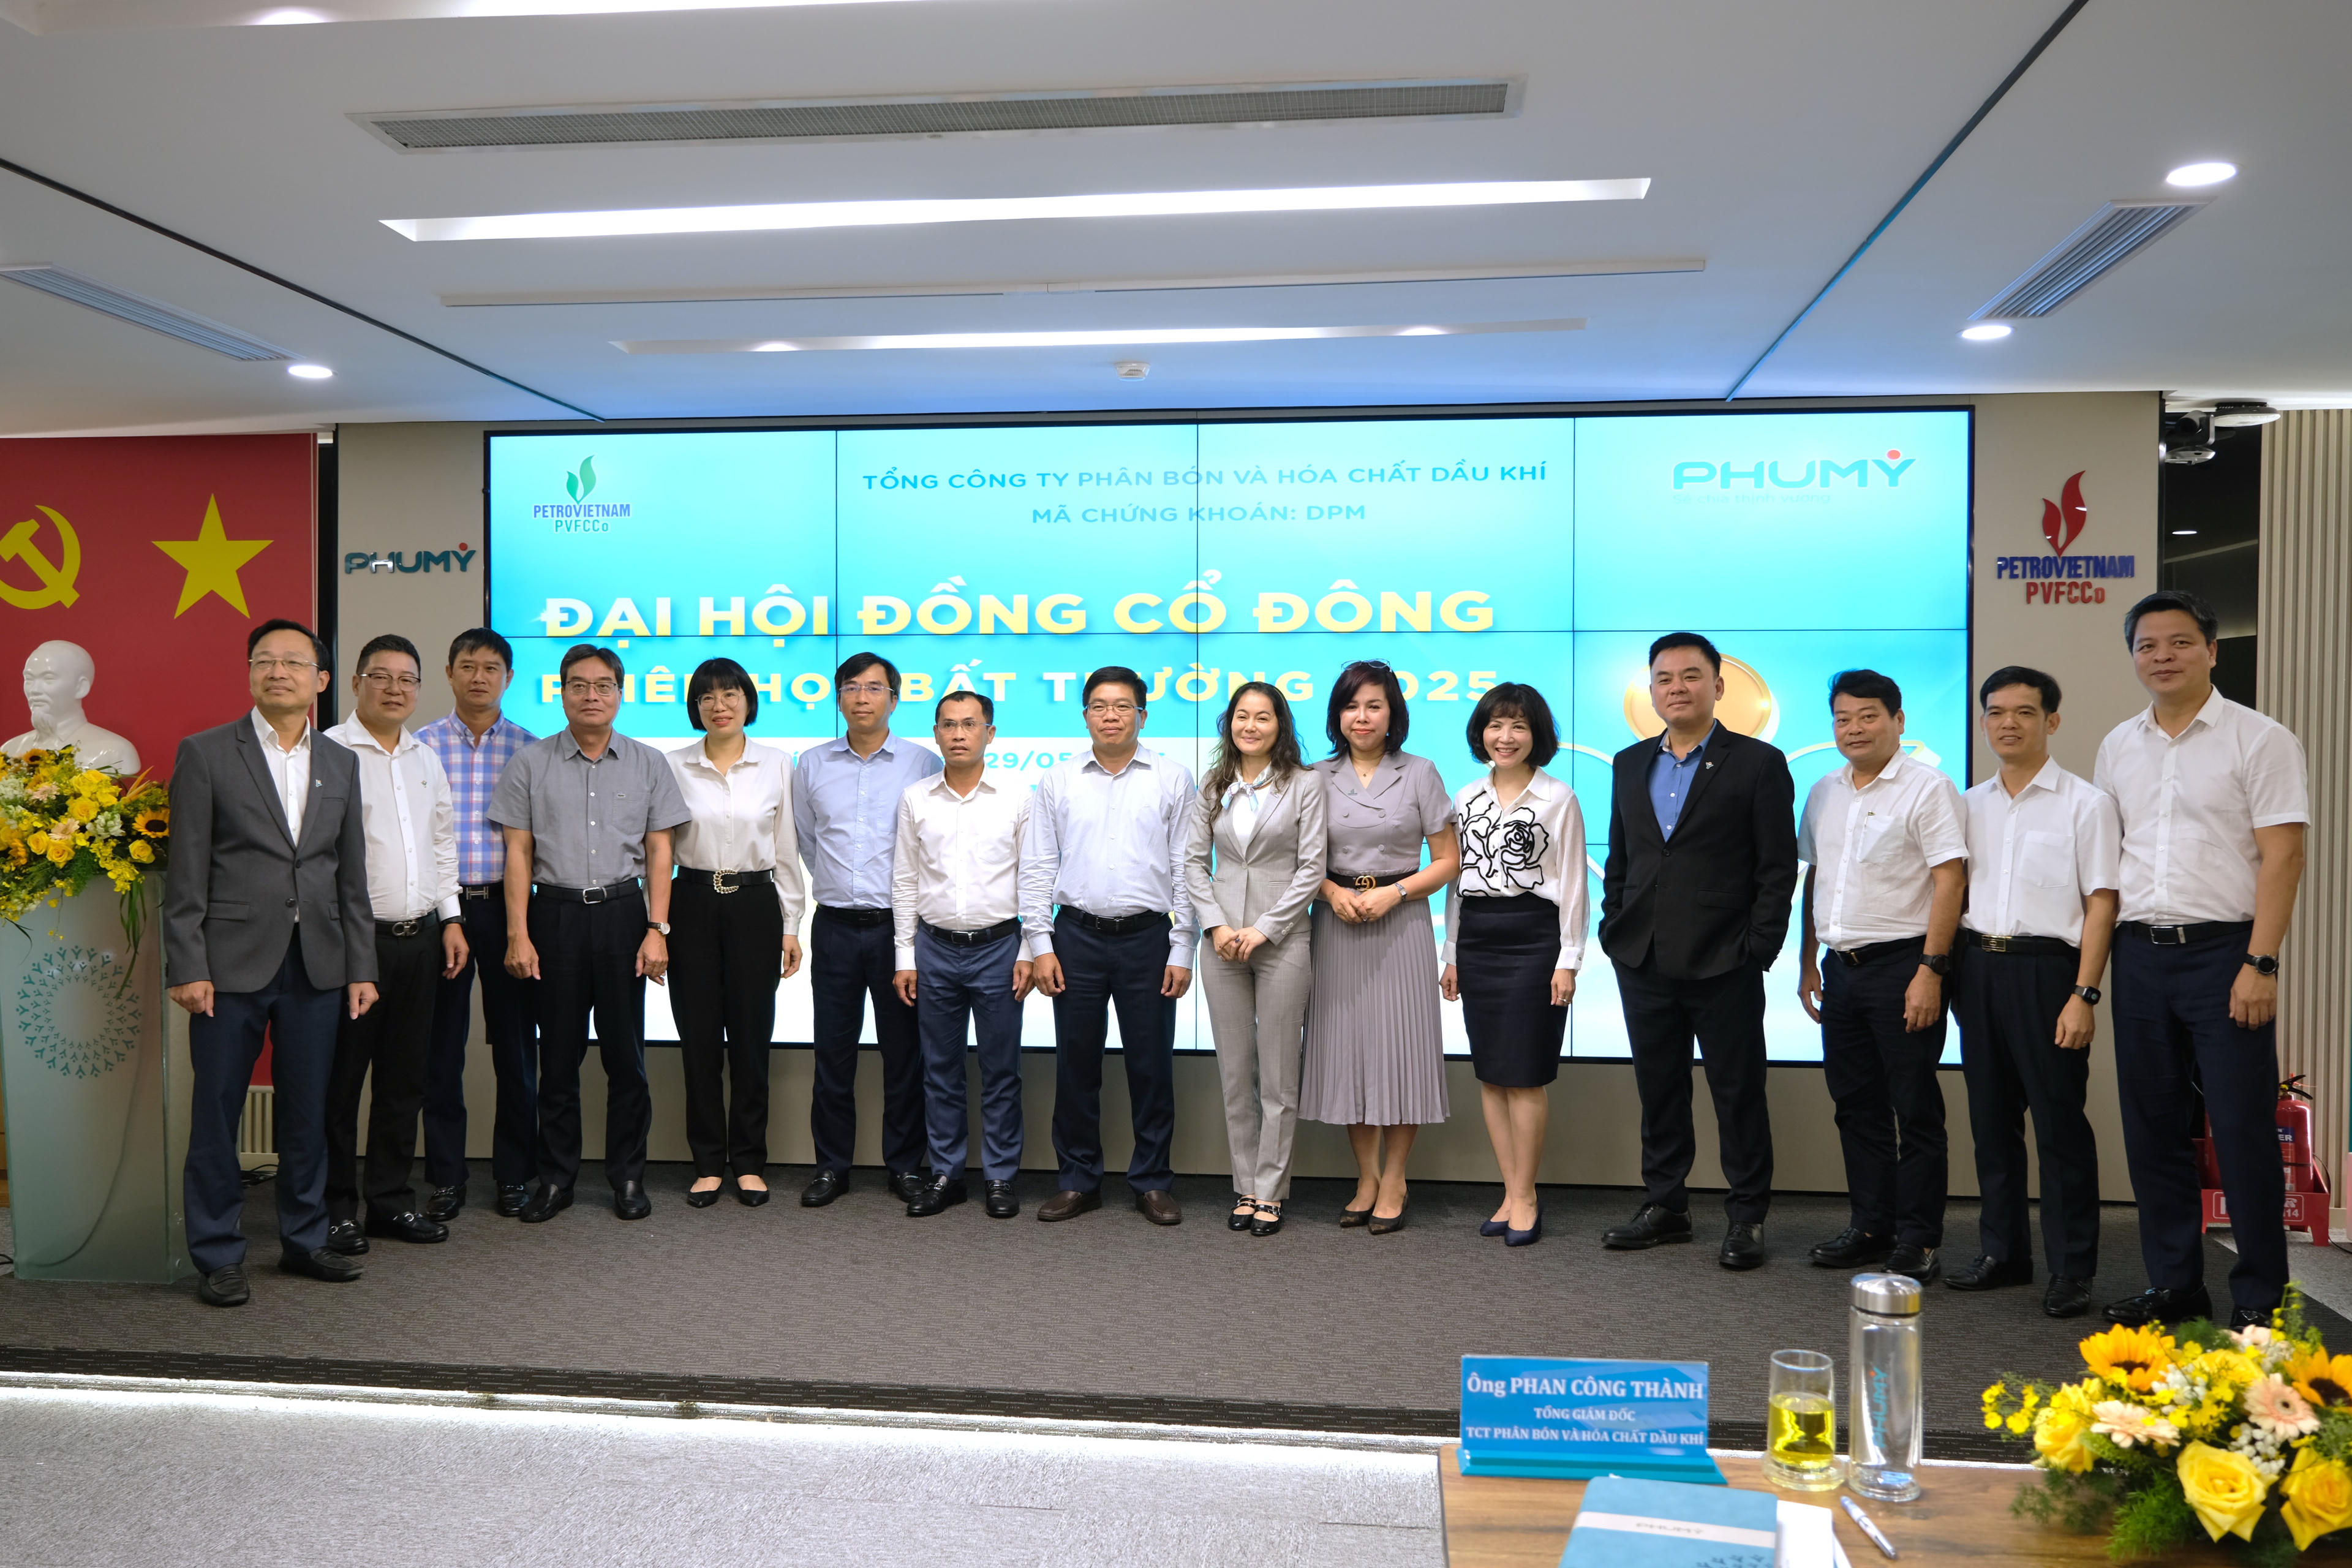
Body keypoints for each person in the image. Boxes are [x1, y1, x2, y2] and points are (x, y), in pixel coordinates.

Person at [2095, 589, 2308, 1330]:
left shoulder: (2260, 738)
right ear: (2133, 657)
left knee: (2242, 1128)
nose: (2163, 656)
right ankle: (2176, 1284)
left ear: (2212, 651)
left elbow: (2284, 855)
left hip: (2227, 954)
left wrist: (2262, 962)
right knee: (2152, 1127)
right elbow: (2110, 860)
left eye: (2180, 642)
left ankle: (2259, 1298)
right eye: (2147, 645)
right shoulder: (2118, 745)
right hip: (2139, 953)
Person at [164, 619, 377, 1308]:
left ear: (321, 680)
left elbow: (350, 874)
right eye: (265, 660)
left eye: (293, 662)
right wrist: (186, 964)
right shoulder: (205, 753)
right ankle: (217, 1253)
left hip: (318, 964)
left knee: (308, 1111)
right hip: (226, 966)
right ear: (250, 673)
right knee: (217, 1111)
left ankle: (305, 1239)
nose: (277, 671)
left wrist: (362, 967)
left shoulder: (341, 762)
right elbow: (185, 871)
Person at [1599, 633, 1798, 1270]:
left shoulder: (1758, 763)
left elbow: (1777, 868)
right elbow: (1623, 857)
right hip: (1643, 957)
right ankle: (1666, 1205)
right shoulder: (1629, 762)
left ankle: (1747, 1215)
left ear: (1718, 685)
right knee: (1659, 1089)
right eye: (1664, 678)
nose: (1676, 687)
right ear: (1651, 690)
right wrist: (1613, 924)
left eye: (1690, 675)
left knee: (1738, 1092)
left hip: (1724, 959)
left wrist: (1759, 948)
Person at [488, 643, 690, 1223]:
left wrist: (657, 929)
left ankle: (628, 1177)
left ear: (621, 694)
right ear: (562, 693)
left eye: (604, 686)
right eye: (578, 685)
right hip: (554, 917)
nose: (591, 696)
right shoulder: (531, 762)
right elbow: (518, 854)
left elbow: (660, 852)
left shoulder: (648, 762)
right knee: (557, 1059)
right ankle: (556, 1179)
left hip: (625, 915)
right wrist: (518, 934)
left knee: (627, 1059)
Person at [1948, 666, 2119, 1319]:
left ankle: (2072, 1268)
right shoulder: (1968, 804)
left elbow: (2102, 903)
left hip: (2050, 974)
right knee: (1991, 1123)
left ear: (2052, 720)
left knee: (2058, 1125)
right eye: (1996, 712)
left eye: (2024, 712)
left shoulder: (2085, 803)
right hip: (1977, 968)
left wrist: (2085, 993)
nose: (2008, 724)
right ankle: (2004, 1253)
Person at [1796, 669, 1967, 1286]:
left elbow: (1950, 879)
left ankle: (1919, 1239)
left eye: (1868, 716)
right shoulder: (1824, 791)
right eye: (1843, 718)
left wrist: (1931, 970)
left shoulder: (1929, 788)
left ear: (1898, 720)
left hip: (1905, 966)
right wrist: (1806, 960)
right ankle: (1871, 1226)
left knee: (1914, 1109)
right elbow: (1815, 878)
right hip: (1841, 969)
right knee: (1856, 1106)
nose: (1854, 729)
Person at [1022, 665, 1197, 1226]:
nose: (1111, 716)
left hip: (1149, 939)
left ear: (1143, 715)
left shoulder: (1173, 779)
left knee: (1152, 1066)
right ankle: (1078, 1180)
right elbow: (1038, 866)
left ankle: (1152, 1181)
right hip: (1075, 937)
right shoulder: (1058, 780)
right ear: (1085, 716)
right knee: (1076, 1065)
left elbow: (1187, 868)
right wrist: (1040, 943)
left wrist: (1183, 947)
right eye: (1099, 706)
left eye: (1123, 706)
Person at [1298, 660, 1460, 1235]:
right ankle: (1366, 1177)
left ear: (1393, 714)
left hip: (1402, 922)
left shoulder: (1420, 772)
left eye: (1373, 706)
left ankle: (1396, 1178)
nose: (1361, 717)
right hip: (1336, 922)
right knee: (1349, 1053)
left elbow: (1448, 860)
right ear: (1336, 716)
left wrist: (1396, 893)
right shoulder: (1313, 776)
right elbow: (1299, 860)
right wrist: (1330, 892)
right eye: (1351, 706)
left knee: (1401, 1052)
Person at [321, 633, 469, 1255]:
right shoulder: (327, 752)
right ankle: (334, 1210)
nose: (394, 689)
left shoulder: (425, 758)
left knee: (405, 1080)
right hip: (353, 944)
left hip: (421, 938)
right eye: (381, 676)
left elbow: (441, 844)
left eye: (407, 679)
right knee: (340, 1084)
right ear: (356, 682)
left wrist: (451, 918)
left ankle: (388, 1201)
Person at [791, 652, 944, 1208]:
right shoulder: (811, 764)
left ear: (894, 700)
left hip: (899, 932)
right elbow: (806, 841)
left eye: (875, 688)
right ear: (838, 698)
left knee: (904, 1055)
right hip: (834, 926)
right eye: (852, 687)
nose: (862, 697)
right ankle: (831, 1166)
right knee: (833, 1054)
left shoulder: (924, 763)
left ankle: (904, 1166)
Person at [1440, 682, 1586, 1248]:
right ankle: (1510, 1190)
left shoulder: (1558, 798)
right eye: (1496, 725)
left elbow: (1573, 885)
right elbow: (1456, 882)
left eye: (1518, 726)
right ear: (1481, 733)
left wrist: (1568, 959)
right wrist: (1451, 952)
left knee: (1524, 1075)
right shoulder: (1465, 797)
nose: (1506, 737)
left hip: (1535, 940)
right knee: (1492, 1074)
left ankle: (1527, 1195)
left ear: (1536, 735)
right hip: (1478, 939)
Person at [1182, 681, 1327, 1238]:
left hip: (1282, 940)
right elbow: (1193, 863)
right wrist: (1216, 925)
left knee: (1279, 1075)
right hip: (1221, 943)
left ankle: (1271, 1191)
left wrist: (1265, 929)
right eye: (1242, 716)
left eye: (1263, 717)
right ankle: (1245, 1185)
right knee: (1236, 1073)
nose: (1251, 726)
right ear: (1230, 724)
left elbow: (1312, 868)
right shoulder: (1214, 784)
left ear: (1280, 725)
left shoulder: (1305, 784)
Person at [891, 690, 1036, 1219]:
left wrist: (1029, 947)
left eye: (969, 724)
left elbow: (1034, 878)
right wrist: (905, 956)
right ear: (936, 734)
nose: (958, 734)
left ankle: (1000, 1177)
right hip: (934, 948)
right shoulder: (916, 798)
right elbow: (905, 880)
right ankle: (947, 1174)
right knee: (939, 1070)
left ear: (989, 734)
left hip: (1000, 948)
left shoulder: (1017, 797)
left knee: (1001, 1071)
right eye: (948, 725)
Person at [667, 658, 806, 1208]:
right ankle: (707, 1164)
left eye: (730, 694)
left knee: (751, 1040)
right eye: (707, 697)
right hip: (692, 902)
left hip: (755, 904)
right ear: (695, 707)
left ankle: (748, 1162)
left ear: (749, 701)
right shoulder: (672, 765)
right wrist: (656, 925)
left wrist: (792, 924)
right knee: (698, 1040)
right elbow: (658, 851)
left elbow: (787, 848)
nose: (719, 705)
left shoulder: (776, 763)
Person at [415, 628, 539, 1219]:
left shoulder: (532, 750)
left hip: (511, 912)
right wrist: (447, 912)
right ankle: (446, 1177)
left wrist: (520, 926)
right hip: (441, 912)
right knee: (441, 1050)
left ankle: (515, 1174)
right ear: (449, 673)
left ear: (508, 678)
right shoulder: (419, 747)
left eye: (492, 668)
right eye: (468, 666)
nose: (479, 677)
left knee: (515, 1048)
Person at [4, 639, 139, 773]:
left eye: (49, 678)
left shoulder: (115, 751)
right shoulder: (10, 750)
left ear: (81, 687)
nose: (34, 690)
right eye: (29, 679)